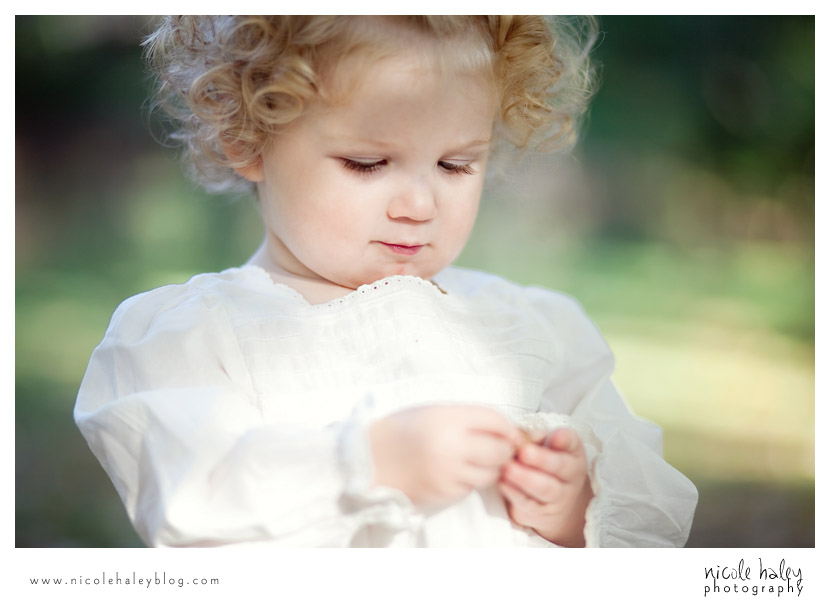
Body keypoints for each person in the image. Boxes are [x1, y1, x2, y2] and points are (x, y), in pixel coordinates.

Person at [74, 15, 698, 548]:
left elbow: (651, 518)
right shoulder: (198, 338)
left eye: (457, 164)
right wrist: (370, 463)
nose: (420, 204)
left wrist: (578, 505)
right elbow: (190, 507)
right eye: (367, 163)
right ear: (249, 139)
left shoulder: (531, 329)